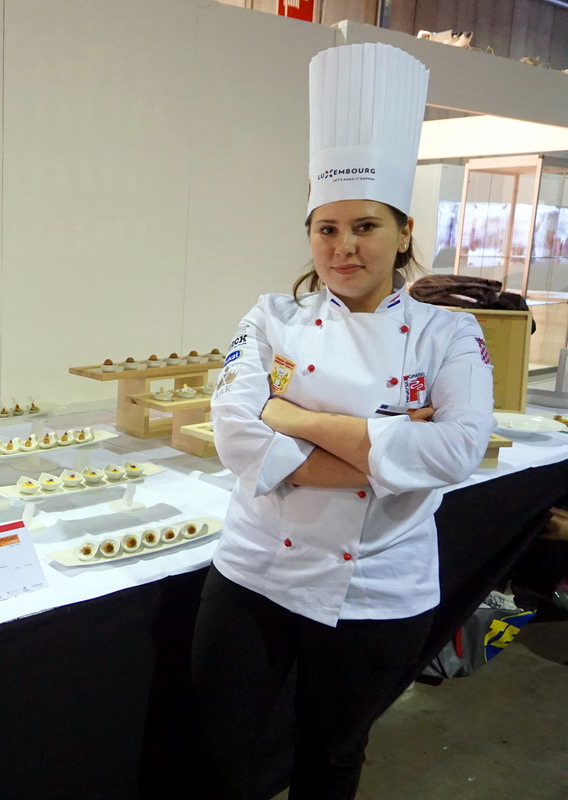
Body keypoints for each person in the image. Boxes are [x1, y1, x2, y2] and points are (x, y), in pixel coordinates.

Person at [193, 43, 496, 800]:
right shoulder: (271, 318)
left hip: (378, 587)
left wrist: (289, 415)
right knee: (216, 753)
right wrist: (387, 444)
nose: (344, 247)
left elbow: (458, 451)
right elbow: (234, 433)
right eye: (326, 229)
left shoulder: (448, 333)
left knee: (331, 756)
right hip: (254, 570)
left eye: (365, 226)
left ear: (403, 231)